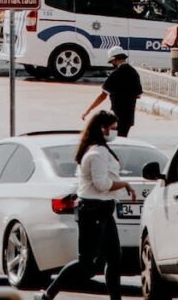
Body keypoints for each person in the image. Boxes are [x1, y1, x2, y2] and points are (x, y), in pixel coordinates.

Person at [38, 111, 137, 300]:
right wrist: (125, 185)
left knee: (114, 258)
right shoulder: (96, 153)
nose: (115, 132)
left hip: (104, 209)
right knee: (86, 263)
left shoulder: (101, 150)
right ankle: (48, 294)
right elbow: (101, 184)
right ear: (102, 128)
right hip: (93, 210)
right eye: (113, 128)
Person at [80, 46, 142, 138]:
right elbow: (138, 95)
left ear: (114, 59)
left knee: (111, 141)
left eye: (112, 61)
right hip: (128, 118)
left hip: (115, 117)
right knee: (122, 140)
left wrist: (88, 111)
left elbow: (103, 95)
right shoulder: (134, 73)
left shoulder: (115, 74)